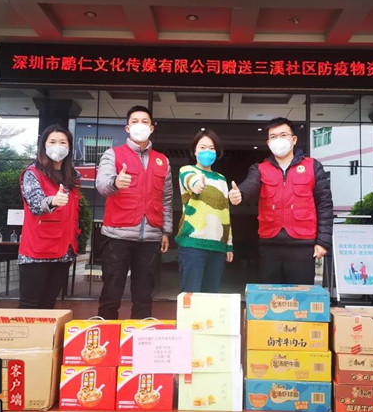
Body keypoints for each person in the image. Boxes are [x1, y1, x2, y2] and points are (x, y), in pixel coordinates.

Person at [228, 117, 333, 284]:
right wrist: (240, 194)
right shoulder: (260, 169)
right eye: (273, 136)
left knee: (300, 295)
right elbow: (250, 185)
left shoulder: (313, 166)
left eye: (283, 135)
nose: (278, 140)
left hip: (303, 245)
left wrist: (323, 242)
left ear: (293, 139)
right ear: (268, 143)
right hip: (270, 246)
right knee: (271, 296)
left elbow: (325, 205)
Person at [96, 106, 173, 319]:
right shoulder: (113, 154)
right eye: (135, 121)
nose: (140, 125)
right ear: (127, 128)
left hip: (150, 237)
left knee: (144, 295)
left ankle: (140, 335)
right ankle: (106, 333)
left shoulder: (162, 160)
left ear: (152, 128)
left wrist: (166, 231)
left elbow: (166, 198)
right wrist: (115, 182)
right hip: (117, 236)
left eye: (145, 121)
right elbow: (101, 185)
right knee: (111, 292)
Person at [18, 125, 81, 309]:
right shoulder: (32, 173)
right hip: (37, 251)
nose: (58, 146)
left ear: (69, 147)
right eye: (52, 142)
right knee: (29, 306)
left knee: (48, 304)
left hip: (63, 251)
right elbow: (35, 204)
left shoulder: (73, 176)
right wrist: (53, 201)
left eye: (63, 142)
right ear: (43, 146)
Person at [176, 129, 233, 293]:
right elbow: (190, 181)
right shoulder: (187, 170)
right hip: (192, 244)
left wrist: (229, 245)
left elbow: (225, 213)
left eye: (211, 148)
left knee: (211, 297)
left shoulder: (221, 179)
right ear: (194, 151)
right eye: (202, 147)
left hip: (217, 247)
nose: (207, 151)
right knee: (191, 296)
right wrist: (197, 185)